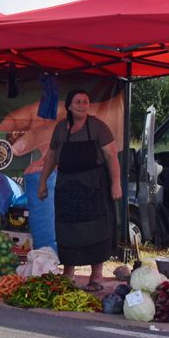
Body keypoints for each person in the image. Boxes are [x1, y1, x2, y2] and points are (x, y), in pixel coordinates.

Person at [37, 89, 122, 292]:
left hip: (94, 187)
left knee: (96, 229)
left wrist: (116, 184)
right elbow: (51, 156)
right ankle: (68, 274)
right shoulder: (60, 128)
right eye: (78, 102)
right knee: (67, 230)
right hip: (66, 188)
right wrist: (42, 182)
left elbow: (111, 156)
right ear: (69, 106)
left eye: (85, 101)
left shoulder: (98, 127)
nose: (82, 105)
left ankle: (96, 276)